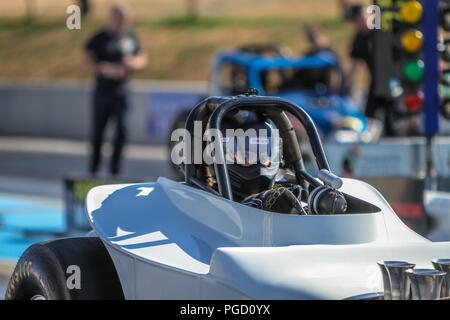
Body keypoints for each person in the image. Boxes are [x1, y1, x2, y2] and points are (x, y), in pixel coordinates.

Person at [83, 4, 147, 175]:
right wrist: (106, 69)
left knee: (122, 131)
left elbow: (142, 58)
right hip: (103, 93)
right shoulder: (99, 38)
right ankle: (93, 170)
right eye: (120, 20)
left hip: (122, 93)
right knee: (98, 132)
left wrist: (132, 63)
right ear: (113, 18)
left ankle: (115, 171)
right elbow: (87, 61)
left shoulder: (129, 37)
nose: (123, 24)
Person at [344, 4, 396, 136]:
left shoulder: (380, 32)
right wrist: (346, 84)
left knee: (392, 116)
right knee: (369, 116)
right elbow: (356, 63)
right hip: (375, 82)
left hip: (391, 80)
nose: (358, 23)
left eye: (360, 18)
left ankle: (394, 139)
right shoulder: (360, 38)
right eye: (355, 21)